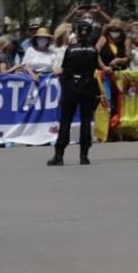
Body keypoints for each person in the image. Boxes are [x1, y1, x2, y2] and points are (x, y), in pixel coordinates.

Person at [48, 20, 100, 166]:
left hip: (71, 87)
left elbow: (64, 68)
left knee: (66, 121)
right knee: (85, 121)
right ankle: (84, 156)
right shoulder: (93, 50)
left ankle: (59, 155)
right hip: (88, 86)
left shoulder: (70, 49)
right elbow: (94, 67)